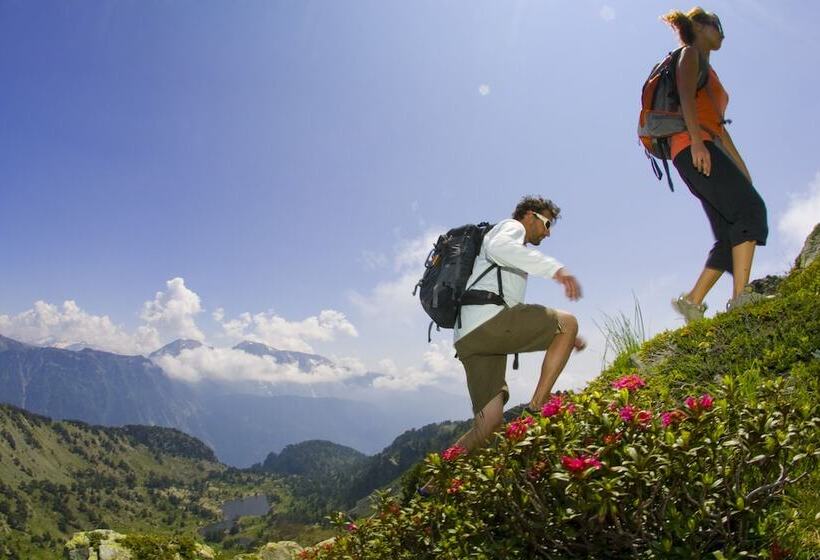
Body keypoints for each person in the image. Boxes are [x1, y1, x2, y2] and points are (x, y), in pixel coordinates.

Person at [419, 196, 585, 495]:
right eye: (546, 224)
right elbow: (500, 252)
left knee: (488, 423)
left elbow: (511, 303)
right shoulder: (510, 229)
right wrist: (556, 270)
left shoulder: (500, 244)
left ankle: (433, 485)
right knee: (569, 321)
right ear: (529, 216)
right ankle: (536, 409)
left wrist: (565, 334)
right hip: (489, 323)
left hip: (469, 336)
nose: (547, 233)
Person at [662, 8, 768, 323]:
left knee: (728, 231)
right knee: (750, 212)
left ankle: (692, 301)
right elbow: (683, 94)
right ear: (701, 26)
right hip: (694, 146)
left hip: (703, 145)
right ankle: (741, 299)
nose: (722, 32)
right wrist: (695, 140)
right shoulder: (690, 54)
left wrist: (743, 170)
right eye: (717, 25)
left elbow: (721, 128)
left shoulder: (708, 70)